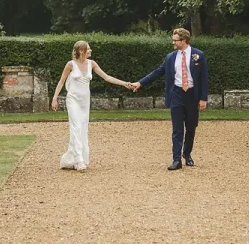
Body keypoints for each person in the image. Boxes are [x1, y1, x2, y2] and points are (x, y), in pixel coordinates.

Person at [128, 28, 209, 170]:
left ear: (184, 41)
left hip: (192, 95)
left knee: (191, 127)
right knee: (177, 129)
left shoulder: (198, 55)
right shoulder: (170, 57)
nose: (173, 42)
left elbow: (204, 78)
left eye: (175, 40)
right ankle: (176, 160)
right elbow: (157, 72)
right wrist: (140, 83)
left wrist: (203, 98)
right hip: (177, 94)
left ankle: (187, 154)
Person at [51, 40, 130, 171]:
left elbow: (107, 77)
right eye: (88, 49)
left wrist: (124, 83)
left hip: (84, 101)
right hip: (73, 99)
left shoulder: (91, 64)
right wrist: (54, 98)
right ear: (80, 51)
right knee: (75, 127)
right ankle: (78, 160)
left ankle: (71, 159)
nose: (90, 50)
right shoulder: (70, 64)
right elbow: (61, 82)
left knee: (82, 128)